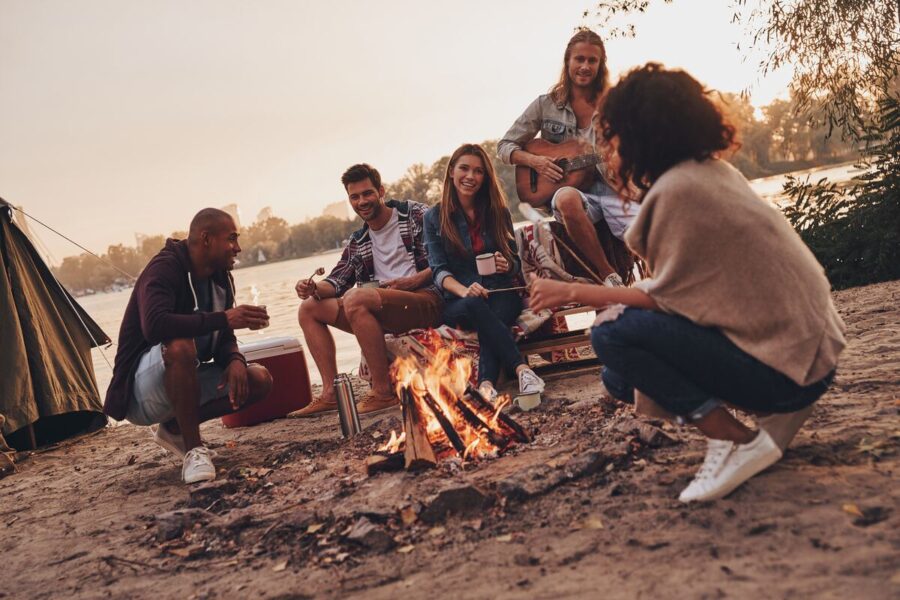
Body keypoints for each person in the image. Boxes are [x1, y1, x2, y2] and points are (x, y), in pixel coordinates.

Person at [529, 64, 846, 502]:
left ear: (639, 135)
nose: (607, 149)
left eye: (612, 136)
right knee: (620, 378)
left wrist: (572, 293)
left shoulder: (678, 192)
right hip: (811, 352)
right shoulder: (709, 172)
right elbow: (689, 292)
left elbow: (667, 301)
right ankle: (752, 426)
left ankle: (737, 440)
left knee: (610, 334)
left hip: (792, 372)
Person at [104, 208, 273, 484]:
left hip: (182, 380)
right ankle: (193, 450)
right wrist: (225, 317)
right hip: (140, 391)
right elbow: (155, 325)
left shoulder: (221, 277)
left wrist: (234, 360)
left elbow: (224, 335)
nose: (238, 248)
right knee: (181, 346)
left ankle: (174, 428)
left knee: (259, 379)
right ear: (206, 239)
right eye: (231, 239)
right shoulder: (165, 269)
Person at [294, 164, 443, 416]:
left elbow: (447, 260)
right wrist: (312, 287)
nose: (362, 201)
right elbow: (337, 281)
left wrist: (413, 281)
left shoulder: (416, 214)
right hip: (377, 307)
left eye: (367, 193)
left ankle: (383, 393)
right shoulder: (358, 240)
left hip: (424, 299)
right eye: (355, 196)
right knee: (309, 308)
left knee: (356, 298)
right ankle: (331, 393)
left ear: (381, 191)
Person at [498, 28, 639, 287]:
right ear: (568, 61)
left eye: (592, 60)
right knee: (565, 197)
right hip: (573, 192)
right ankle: (609, 276)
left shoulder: (613, 104)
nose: (585, 66)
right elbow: (505, 146)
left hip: (613, 188)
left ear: (600, 64)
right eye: (579, 59)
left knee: (651, 234)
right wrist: (535, 161)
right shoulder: (545, 104)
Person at [424, 144, 545, 401]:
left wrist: (506, 264)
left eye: (478, 171)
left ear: (485, 177)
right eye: (464, 168)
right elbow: (438, 270)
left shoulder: (497, 210)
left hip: (501, 291)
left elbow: (514, 260)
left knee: (494, 316)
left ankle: (486, 386)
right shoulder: (434, 216)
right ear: (451, 173)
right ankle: (521, 369)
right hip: (460, 301)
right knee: (476, 305)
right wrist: (465, 290)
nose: (471, 176)